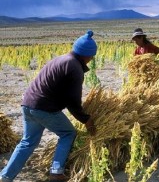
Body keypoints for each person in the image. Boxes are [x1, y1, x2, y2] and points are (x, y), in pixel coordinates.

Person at [0, 30, 97, 182]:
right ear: (86, 54)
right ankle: (56, 172)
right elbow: (73, 100)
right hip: (44, 108)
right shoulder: (74, 68)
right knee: (68, 133)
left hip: (27, 104)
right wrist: (86, 119)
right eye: (92, 55)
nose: (91, 59)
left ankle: (5, 177)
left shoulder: (61, 59)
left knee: (27, 142)